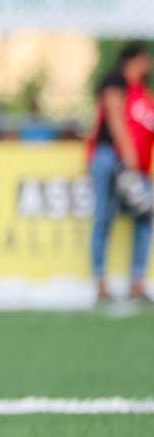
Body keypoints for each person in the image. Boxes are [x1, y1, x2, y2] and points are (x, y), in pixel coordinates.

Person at [87, 41, 153, 304]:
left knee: (144, 216)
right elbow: (113, 115)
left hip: (134, 165)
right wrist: (127, 153)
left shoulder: (142, 92)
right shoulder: (115, 79)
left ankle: (136, 282)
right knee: (104, 216)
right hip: (110, 156)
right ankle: (100, 282)